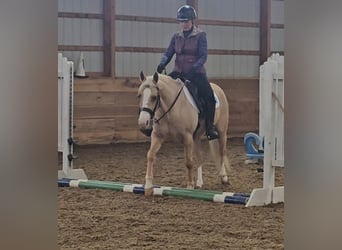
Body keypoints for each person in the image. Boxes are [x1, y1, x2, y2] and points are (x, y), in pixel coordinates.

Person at [156, 5, 219, 140]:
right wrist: (162, 63)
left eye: (186, 21)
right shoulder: (176, 37)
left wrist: (195, 67)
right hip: (178, 72)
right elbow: (169, 52)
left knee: (209, 96)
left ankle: (209, 127)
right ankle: (155, 124)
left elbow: (203, 56)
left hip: (196, 73)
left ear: (192, 21)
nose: (184, 24)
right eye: (181, 21)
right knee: (159, 90)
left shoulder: (200, 35)